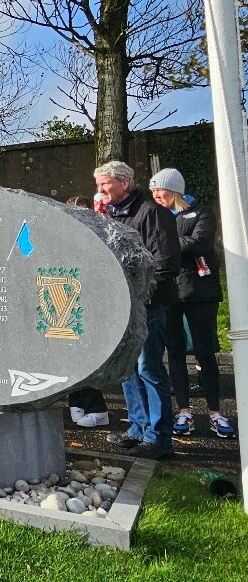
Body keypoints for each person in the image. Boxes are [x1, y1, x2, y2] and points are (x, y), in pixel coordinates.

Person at [96, 161, 180, 459]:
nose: (100, 190)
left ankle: (158, 437)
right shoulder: (110, 215)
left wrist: (140, 299)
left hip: (148, 306)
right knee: (128, 369)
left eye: (105, 184)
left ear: (124, 184)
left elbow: (165, 263)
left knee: (149, 368)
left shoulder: (152, 213)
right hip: (123, 307)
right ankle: (138, 428)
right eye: (99, 185)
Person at [148, 168, 235, 439]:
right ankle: (183, 411)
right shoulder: (157, 216)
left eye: (158, 191)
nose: (155, 196)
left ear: (173, 190)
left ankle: (215, 413)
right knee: (174, 352)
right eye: (152, 192)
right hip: (170, 292)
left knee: (204, 352)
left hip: (199, 292)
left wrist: (166, 246)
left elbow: (200, 243)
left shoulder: (201, 212)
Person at [64, 195, 110, 428]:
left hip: (89, 301)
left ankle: (96, 407)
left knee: (86, 357)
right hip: (70, 299)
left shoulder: (96, 234)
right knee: (72, 356)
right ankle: (78, 401)